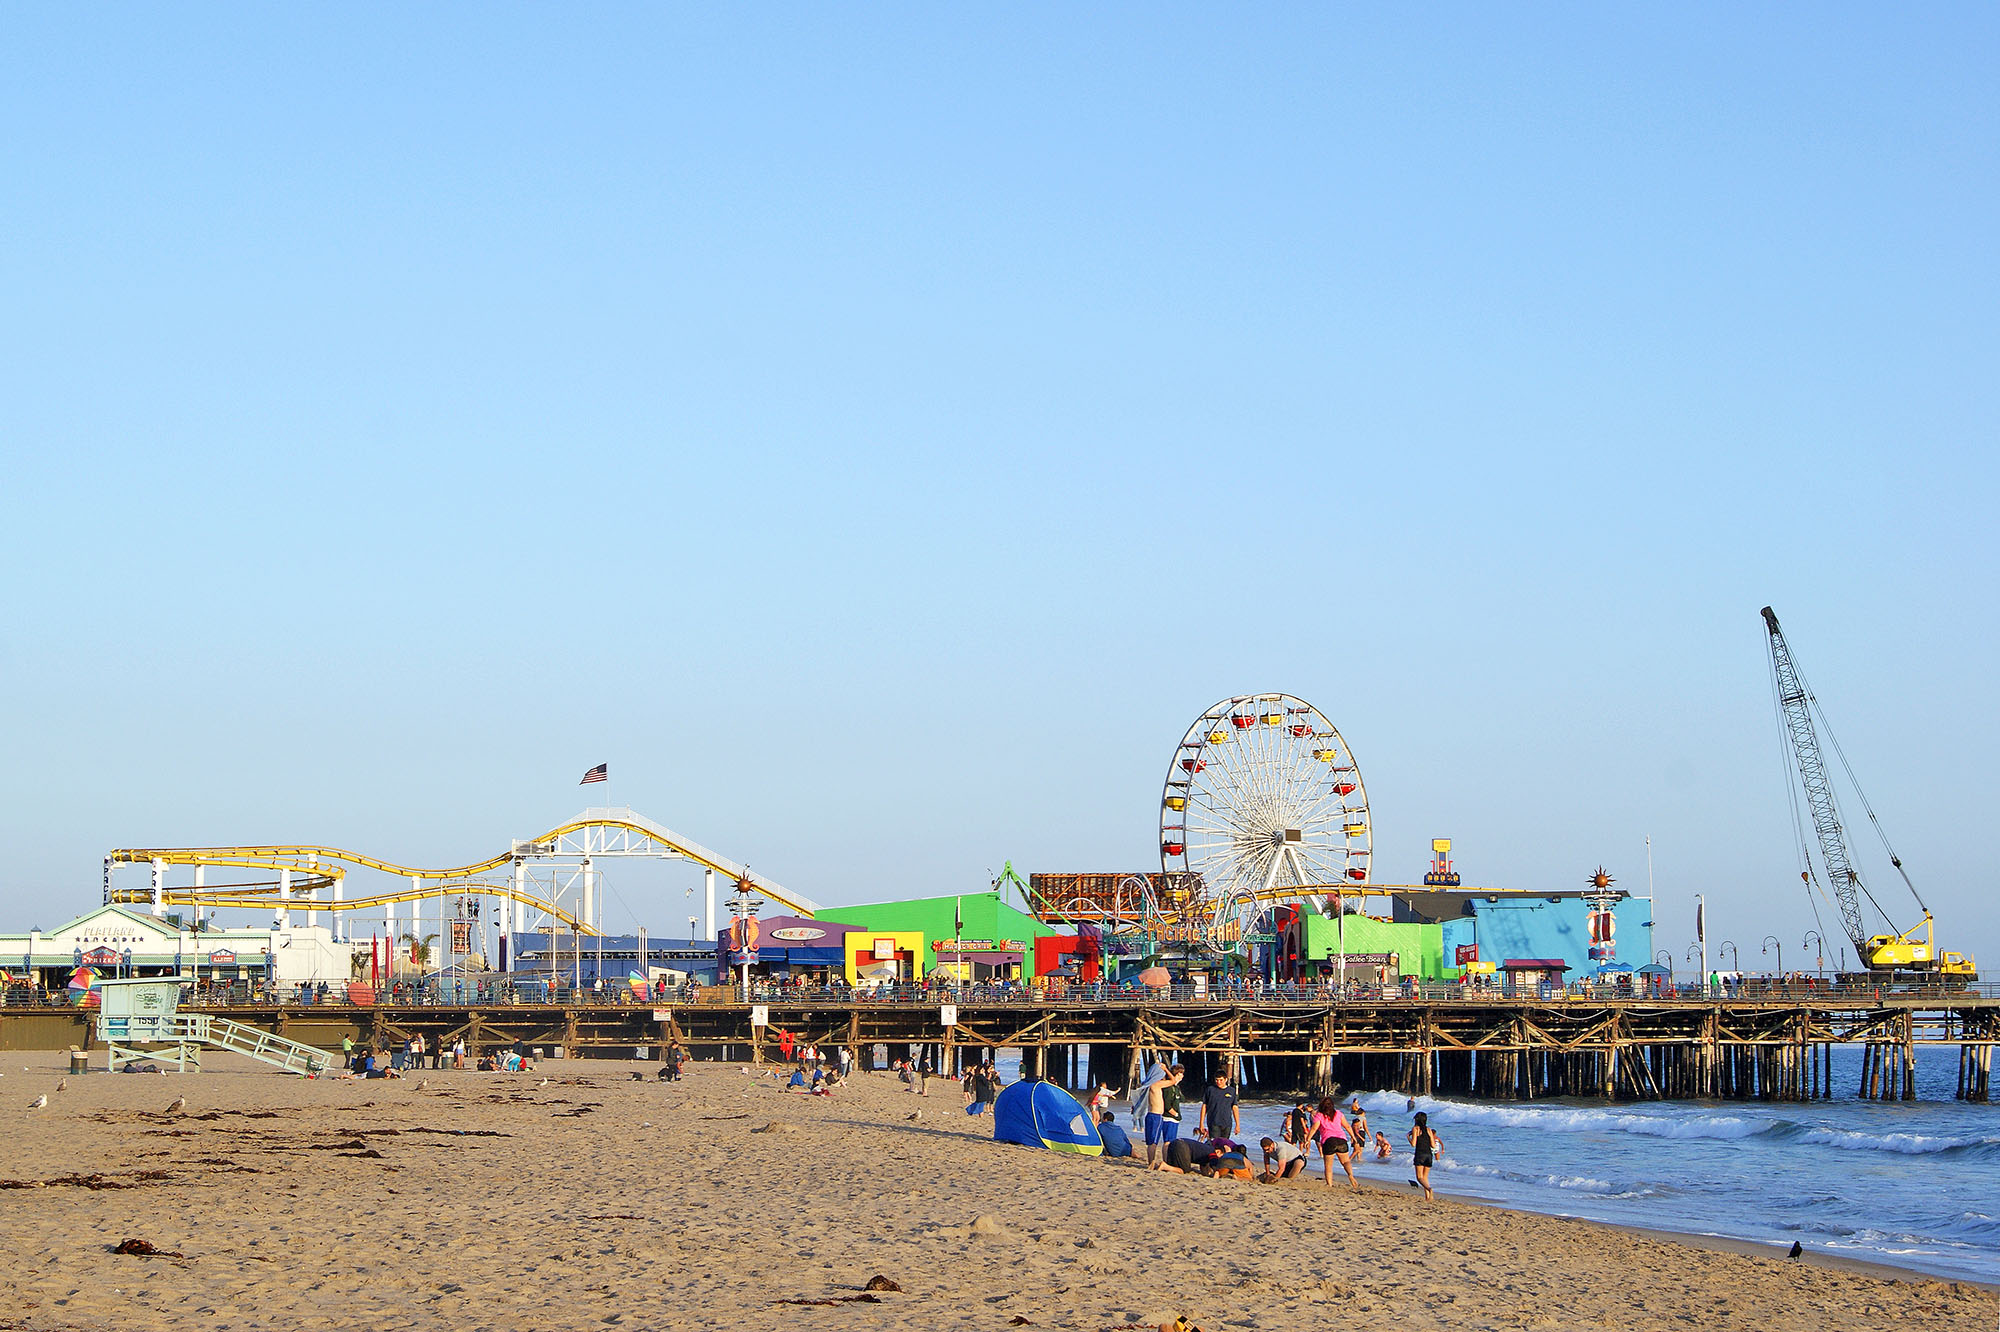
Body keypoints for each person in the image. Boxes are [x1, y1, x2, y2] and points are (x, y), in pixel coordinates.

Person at [1312, 1097, 1359, 1190]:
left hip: (1329, 1141)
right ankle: (1350, 1175)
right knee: (1346, 1161)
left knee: (1328, 1166)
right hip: (1341, 1140)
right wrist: (1353, 1137)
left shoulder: (1319, 1115)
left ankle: (1329, 1184)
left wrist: (1307, 1139)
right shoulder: (1339, 1113)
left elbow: (1314, 1128)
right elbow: (1347, 1126)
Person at [1409, 1110, 1441, 1201]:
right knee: (1425, 1177)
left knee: (1419, 1177)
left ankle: (1429, 1189)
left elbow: (1413, 1144)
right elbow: (1433, 1145)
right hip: (1429, 1155)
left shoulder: (1415, 1129)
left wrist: (1408, 1137)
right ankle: (1428, 1197)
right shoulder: (1429, 1130)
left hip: (1420, 1154)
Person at [1198, 1070, 1240, 1139]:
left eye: (1221, 1080)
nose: (1218, 1082)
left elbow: (1235, 1107)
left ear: (1226, 1079)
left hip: (1227, 1123)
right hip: (1213, 1122)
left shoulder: (1231, 1091)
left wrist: (1237, 1124)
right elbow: (1204, 1106)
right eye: (1217, 1080)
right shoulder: (1210, 1090)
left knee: (1225, 1144)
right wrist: (1201, 1123)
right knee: (1215, 1143)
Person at [1346, 1099, 1370, 1168]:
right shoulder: (1363, 1118)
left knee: (1355, 1148)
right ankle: (1357, 1160)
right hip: (1361, 1132)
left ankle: (1354, 1160)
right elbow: (1365, 1127)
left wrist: (1351, 1136)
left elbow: (1351, 1127)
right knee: (1360, 1149)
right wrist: (1369, 1135)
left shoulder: (1355, 1118)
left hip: (1354, 1133)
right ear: (1362, 1113)